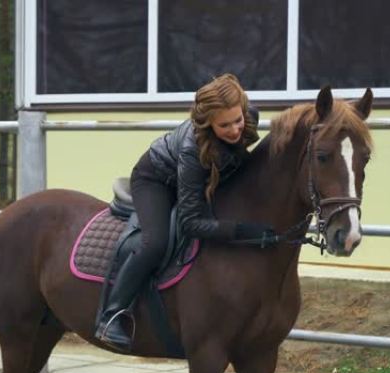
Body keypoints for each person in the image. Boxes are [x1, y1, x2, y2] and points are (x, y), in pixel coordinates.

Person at [95, 73, 274, 351]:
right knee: (155, 243)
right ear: (208, 123)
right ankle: (112, 315)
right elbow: (191, 223)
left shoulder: (248, 117)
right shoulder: (193, 150)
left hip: (200, 177)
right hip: (157, 180)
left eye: (237, 120)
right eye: (224, 125)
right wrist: (240, 230)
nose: (236, 130)